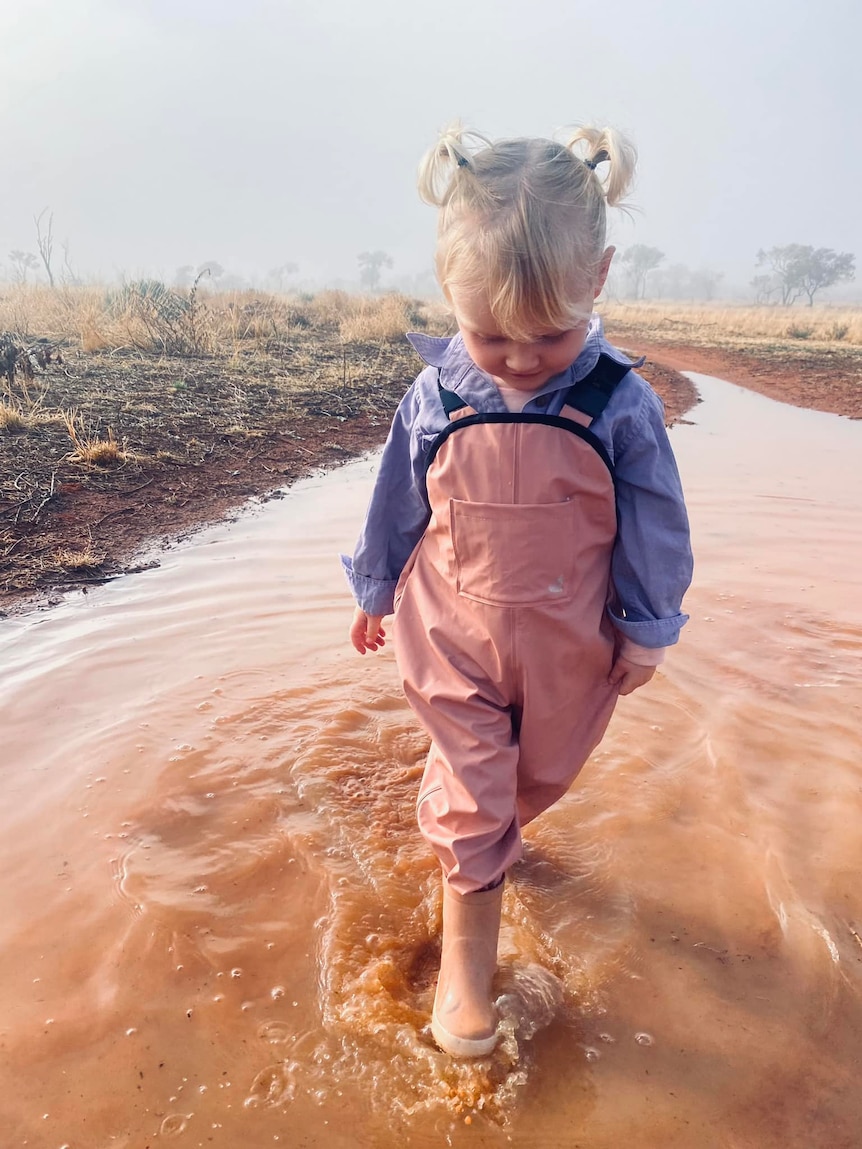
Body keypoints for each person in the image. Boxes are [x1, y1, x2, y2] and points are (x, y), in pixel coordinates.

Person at [342, 124, 693, 1059]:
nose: (520, 361)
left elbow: (655, 522)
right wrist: (376, 585)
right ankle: (466, 982)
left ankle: (488, 821)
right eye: (488, 333)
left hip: (567, 641)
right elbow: (396, 497)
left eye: (549, 334)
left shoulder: (617, 403)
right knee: (476, 792)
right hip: (449, 625)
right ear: (447, 293)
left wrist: (648, 628)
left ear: (601, 278)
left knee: (533, 778)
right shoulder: (440, 396)